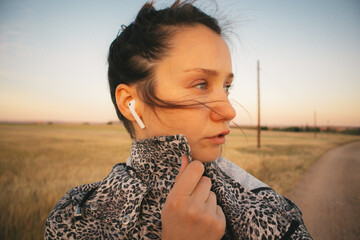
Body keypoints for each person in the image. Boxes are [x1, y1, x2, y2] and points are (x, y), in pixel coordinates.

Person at [45, 1, 312, 239]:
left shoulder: (270, 212)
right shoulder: (76, 218)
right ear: (130, 103)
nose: (229, 111)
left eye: (226, 87)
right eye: (200, 84)